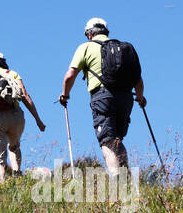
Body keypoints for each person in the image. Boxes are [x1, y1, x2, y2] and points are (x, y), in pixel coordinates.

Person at [58, 17, 146, 177]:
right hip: (126, 98)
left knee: (107, 141)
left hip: (103, 97)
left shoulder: (86, 47)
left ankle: (118, 184)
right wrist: (140, 99)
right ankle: (126, 181)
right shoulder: (123, 49)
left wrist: (65, 96)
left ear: (89, 34)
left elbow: (69, 76)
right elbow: (138, 81)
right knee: (117, 139)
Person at [0, 51, 46, 183]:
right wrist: (38, 120)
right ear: (3, 62)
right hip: (15, 115)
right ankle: (17, 174)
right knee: (14, 146)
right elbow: (25, 96)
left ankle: (1, 185)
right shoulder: (12, 74)